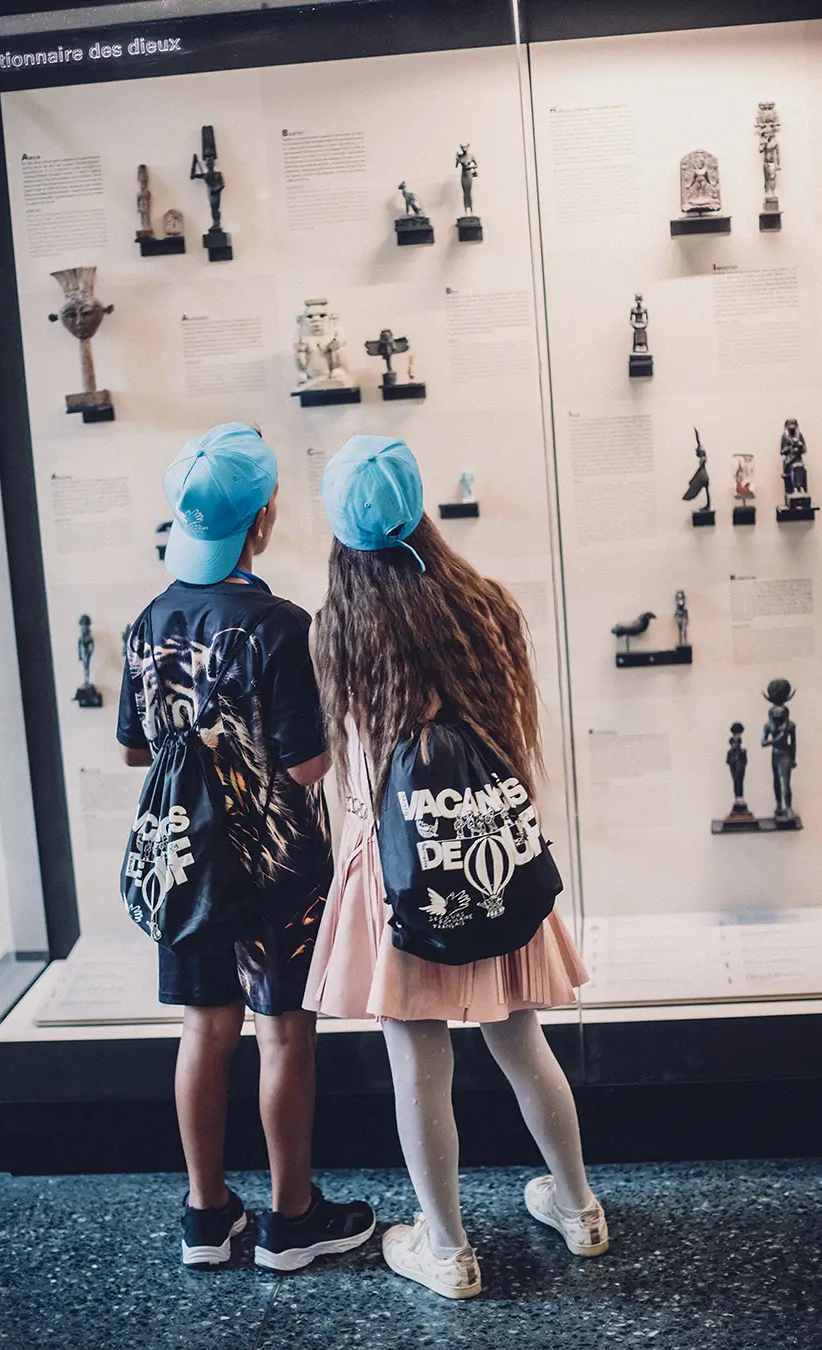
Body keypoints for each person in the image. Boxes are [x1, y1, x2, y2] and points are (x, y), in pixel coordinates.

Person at [304, 434, 607, 1300]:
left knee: (418, 1063)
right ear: (420, 509)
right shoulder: (487, 604)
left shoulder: (338, 631)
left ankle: (447, 1248)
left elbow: (356, 774)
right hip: (490, 858)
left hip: (398, 875)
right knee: (520, 1041)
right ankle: (579, 1208)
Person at [117, 423, 374, 1272]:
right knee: (285, 1033)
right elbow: (304, 766)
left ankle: (205, 1214)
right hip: (276, 868)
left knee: (204, 1028)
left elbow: (134, 747)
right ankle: (292, 1218)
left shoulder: (149, 620)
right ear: (262, 519)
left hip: (187, 865)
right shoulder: (278, 626)